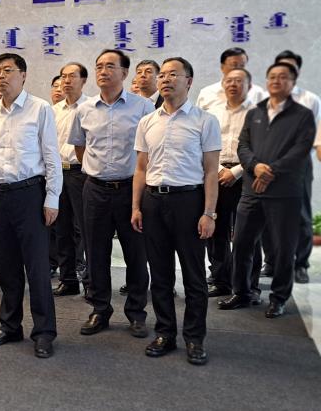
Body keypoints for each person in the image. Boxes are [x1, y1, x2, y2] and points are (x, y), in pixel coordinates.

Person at [131, 57, 221, 366]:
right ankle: (165, 333)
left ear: (189, 81)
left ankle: (194, 338)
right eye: (163, 76)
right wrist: (136, 206)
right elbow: (141, 169)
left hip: (189, 202)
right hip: (153, 202)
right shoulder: (147, 121)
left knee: (194, 276)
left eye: (173, 74)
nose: (165, 80)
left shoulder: (205, 121)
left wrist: (209, 213)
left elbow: (211, 171)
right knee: (160, 274)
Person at [0, 53, 62, 359]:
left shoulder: (40, 108)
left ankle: (44, 332)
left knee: (37, 267)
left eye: (8, 71)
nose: (1, 76)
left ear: (23, 75)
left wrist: (52, 197)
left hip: (30, 194)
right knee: (6, 265)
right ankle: (10, 325)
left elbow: (51, 155)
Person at [218, 61, 315, 319]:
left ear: (292, 83)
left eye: (283, 77)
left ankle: (278, 298)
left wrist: (269, 171)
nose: (276, 81)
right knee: (241, 243)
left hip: (284, 193)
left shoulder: (302, 115)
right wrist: (255, 166)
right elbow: (243, 146)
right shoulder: (256, 112)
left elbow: (300, 151)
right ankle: (241, 292)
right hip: (251, 191)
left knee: (283, 249)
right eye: (272, 76)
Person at [68, 49, 152, 339]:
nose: (103, 71)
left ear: (124, 73)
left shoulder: (143, 107)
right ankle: (100, 309)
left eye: (110, 66)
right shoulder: (85, 109)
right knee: (96, 253)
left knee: (136, 253)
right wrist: (96, 170)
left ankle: (136, 312)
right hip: (95, 190)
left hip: (131, 189)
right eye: (99, 66)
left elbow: (150, 151)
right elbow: (80, 147)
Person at [204, 68, 255, 297]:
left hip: (247, 175)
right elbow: (202, 144)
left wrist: (235, 172)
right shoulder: (212, 112)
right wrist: (217, 170)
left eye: (239, 81)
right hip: (215, 174)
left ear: (249, 86)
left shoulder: (258, 114)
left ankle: (248, 285)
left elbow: (261, 148)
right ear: (223, 84)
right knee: (217, 230)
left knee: (248, 233)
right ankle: (220, 280)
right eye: (229, 80)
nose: (233, 84)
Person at [273, 50, 318, 284]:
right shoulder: (266, 100)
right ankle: (274, 262)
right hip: (269, 163)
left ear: (297, 72)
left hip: (299, 165)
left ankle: (301, 264)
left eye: (290, 68)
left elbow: (315, 136)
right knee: (269, 215)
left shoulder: (310, 99)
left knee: (301, 214)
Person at [51, 62, 89, 297]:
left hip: (81, 172)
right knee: (61, 228)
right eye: (63, 76)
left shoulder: (91, 107)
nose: (66, 81)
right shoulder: (53, 110)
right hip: (57, 172)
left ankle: (90, 281)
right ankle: (67, 279)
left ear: (83, 80)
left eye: (72, 76)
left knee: (85, 228)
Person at [196, 47, 267, 110]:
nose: (238, 69)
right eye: (234, 65)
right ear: (222, 67)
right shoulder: (207, 93)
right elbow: (198, 119)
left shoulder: (257, 92)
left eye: (242, 66)